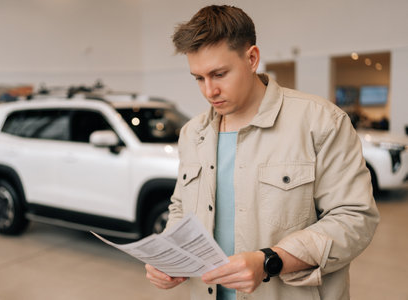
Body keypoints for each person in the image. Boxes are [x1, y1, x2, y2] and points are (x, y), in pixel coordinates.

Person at [145, 5, 379, 300]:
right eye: (198, 78)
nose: (209, 91)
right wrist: (169, 253)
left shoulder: (320, 122)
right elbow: (181, 207)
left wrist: (271, 260)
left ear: (252, 58)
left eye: (219, 74)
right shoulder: (194, 133)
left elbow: (355, 218)